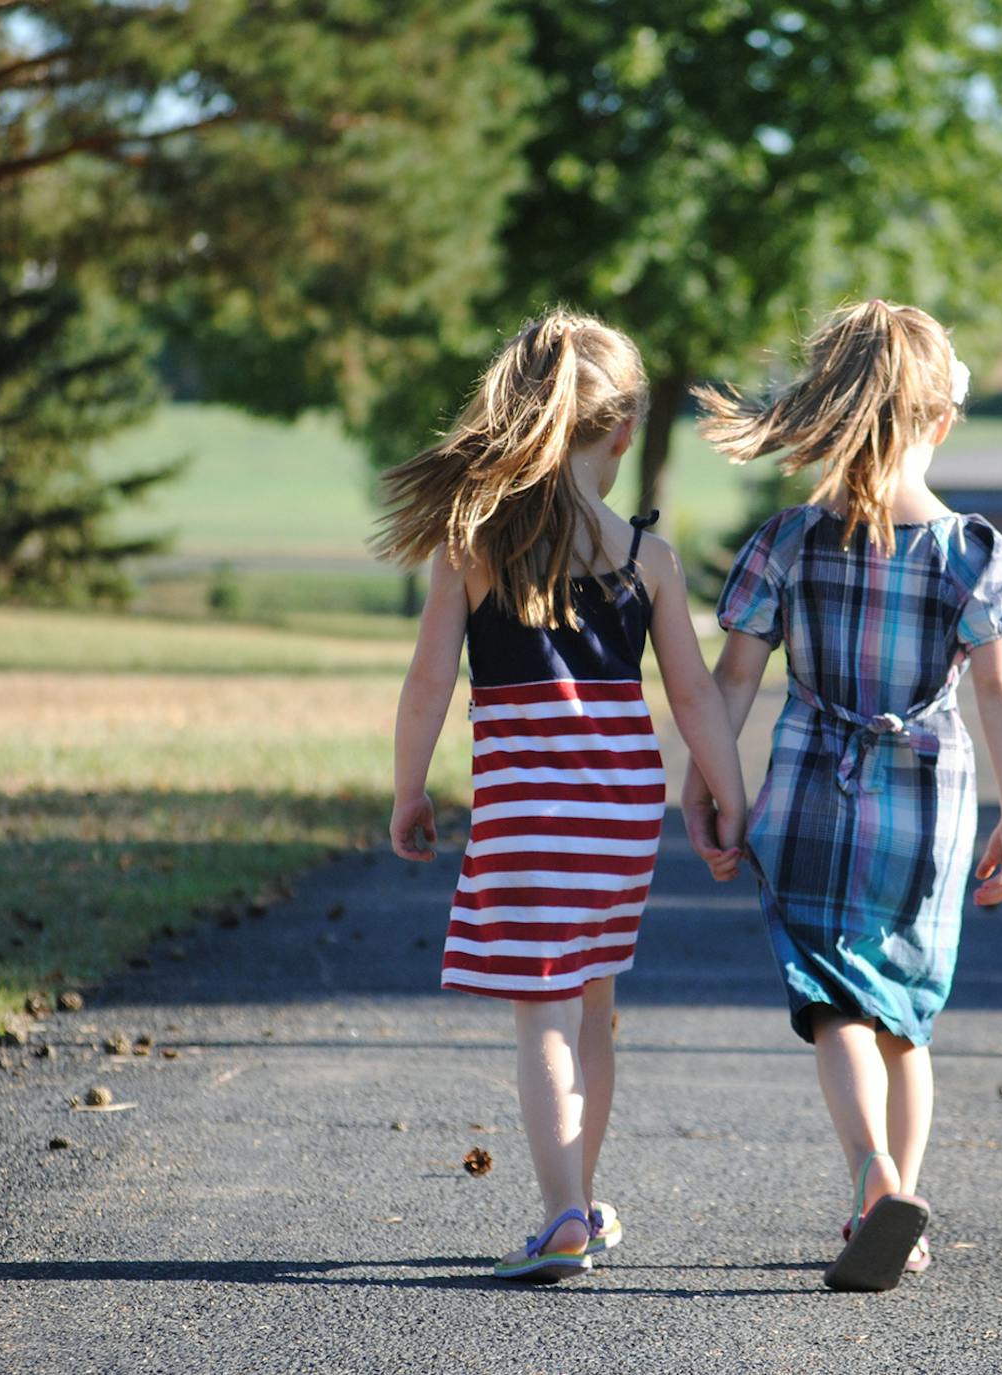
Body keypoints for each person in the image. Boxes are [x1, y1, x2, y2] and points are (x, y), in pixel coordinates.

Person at [378, 308, 749, 1283]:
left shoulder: (472, 545)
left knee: (540, 1012)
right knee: (593, 1006)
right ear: (622, 430)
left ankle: (561, 1217)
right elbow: (694, 694)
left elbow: (428, 682)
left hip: (527, 812)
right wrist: (728, 795)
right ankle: (579, 1194)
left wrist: (409, 790)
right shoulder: (647, 558)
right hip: (620, 811)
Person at [680, 299, 1002, 1293]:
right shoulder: (975, 553)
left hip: (808, 798)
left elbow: (731, 682)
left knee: (835, 1002)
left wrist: (706, 784)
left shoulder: (788, 541)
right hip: (927, 806)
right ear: (943, 419)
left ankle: (872, 1174)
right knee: (905, 1016)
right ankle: (899, 1208)